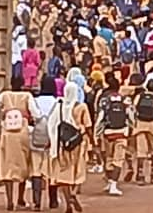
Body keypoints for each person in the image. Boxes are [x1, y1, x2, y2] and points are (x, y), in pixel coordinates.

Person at [0, 76, 41, 210]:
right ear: (23, 84)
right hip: (22, 134)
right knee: (23, 165)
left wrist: (3, 114)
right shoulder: (27, 96)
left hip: (7, 135)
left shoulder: (4, 95)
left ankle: (9, 201)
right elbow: (36, 114)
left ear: (10, 84)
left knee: (7, 167)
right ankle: (20, 199)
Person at [49, 82, 91, 213]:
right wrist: (93, 141)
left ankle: (68, 202)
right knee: (78, 171)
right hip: (78, 143)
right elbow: (88, 126)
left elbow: (52, 125)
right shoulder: (82, 107)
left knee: (64, 175)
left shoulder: (59, 106)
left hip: (63, 144)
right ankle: (73, 193)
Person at [94, 74, 131, 196]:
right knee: (118, 160)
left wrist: (96, 134)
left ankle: (110, 182)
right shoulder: (125, 100)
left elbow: (100, 119)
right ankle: (114, 185)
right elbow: (131, 117)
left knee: (108, 159)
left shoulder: (105, 101)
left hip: (108, 133)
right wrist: (129, 129)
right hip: (121, 133)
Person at [31, 76, 60, 210]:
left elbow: (33, 117)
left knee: (36, 169)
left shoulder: (34, 101)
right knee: (52, 170)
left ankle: (37, 202)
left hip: (37, 138)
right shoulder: (58, 102)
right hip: (52, 139)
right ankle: (53, 200)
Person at [129, 75, 153, 185]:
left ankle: (140, 175)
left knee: (141, 150)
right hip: (152, 126)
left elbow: (133, 109)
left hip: (140, 125)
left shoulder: (139, 96)